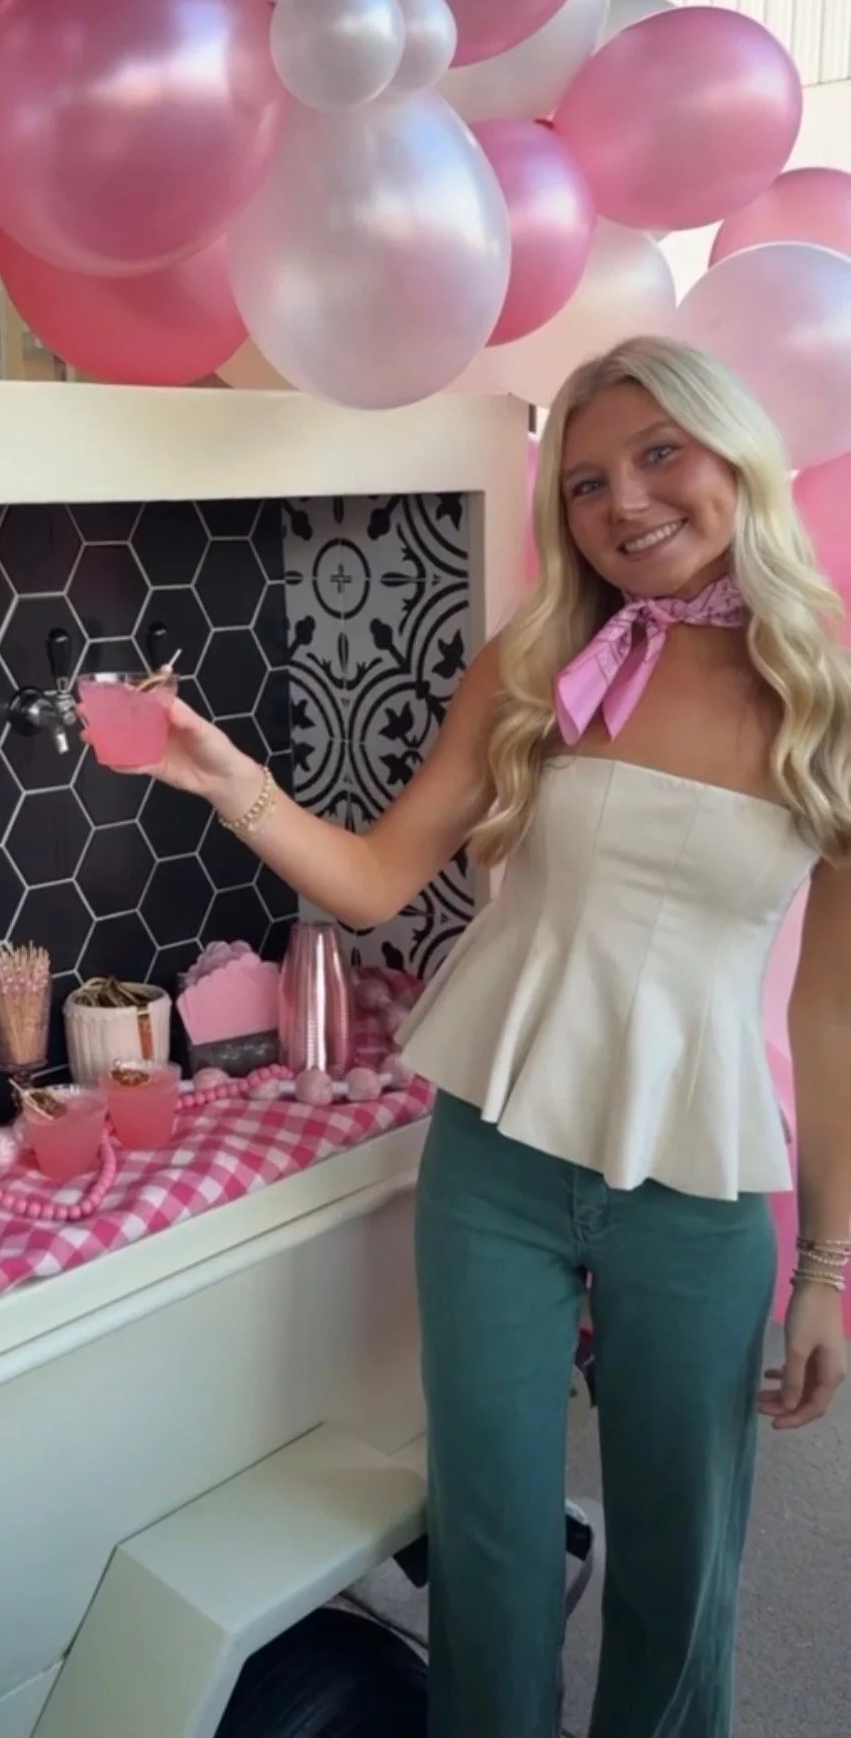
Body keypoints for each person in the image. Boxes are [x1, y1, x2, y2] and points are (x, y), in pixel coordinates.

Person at [129, 336, 851, 1738]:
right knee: (492, 1537)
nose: (623, 502)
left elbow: (831, 1004)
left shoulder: (824, 700)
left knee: (678, 1560)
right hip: (496, 1159)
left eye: (658, 453)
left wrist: (826, 1259)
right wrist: (231, 782)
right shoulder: (538, 662)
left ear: (734, 456)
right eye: (582, 482)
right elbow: (376, 878)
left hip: (693, 1182)